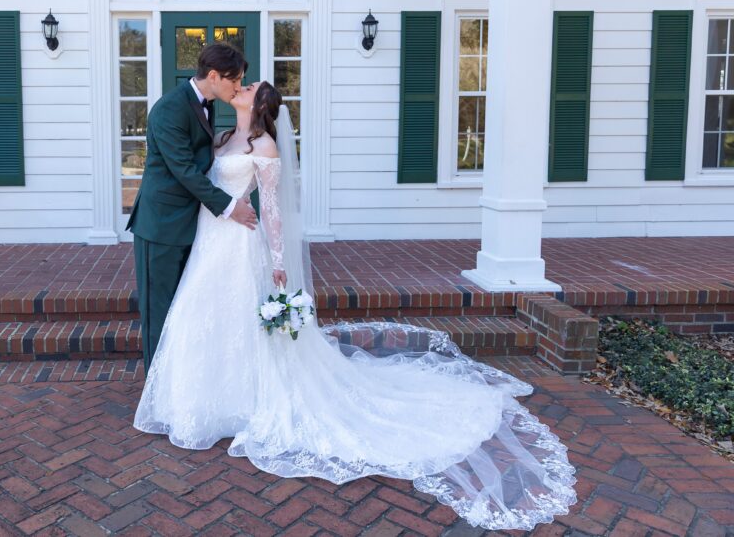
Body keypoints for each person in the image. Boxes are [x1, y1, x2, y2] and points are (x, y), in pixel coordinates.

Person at [133, 80, 579, 531]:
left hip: (240, 244)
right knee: (200, 318)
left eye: (248, 87)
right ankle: (197, 397)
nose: (241, 87)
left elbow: (271, 209)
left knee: (235, 320)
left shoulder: (265, 147)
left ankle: (243, 402)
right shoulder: (223, 136)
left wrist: (281, 262)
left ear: (261, 104)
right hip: (210, 241)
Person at [126, 44, 258, 371]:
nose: (239, 87)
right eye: (235, 80)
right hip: (161, 226)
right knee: (160, 313)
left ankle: (177, 386)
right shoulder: (170, 109)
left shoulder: (206, 103)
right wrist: (230, 207)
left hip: (190, 224)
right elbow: (183, 170)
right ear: (213, 76)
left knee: (183, 311)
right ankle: (155, 396)